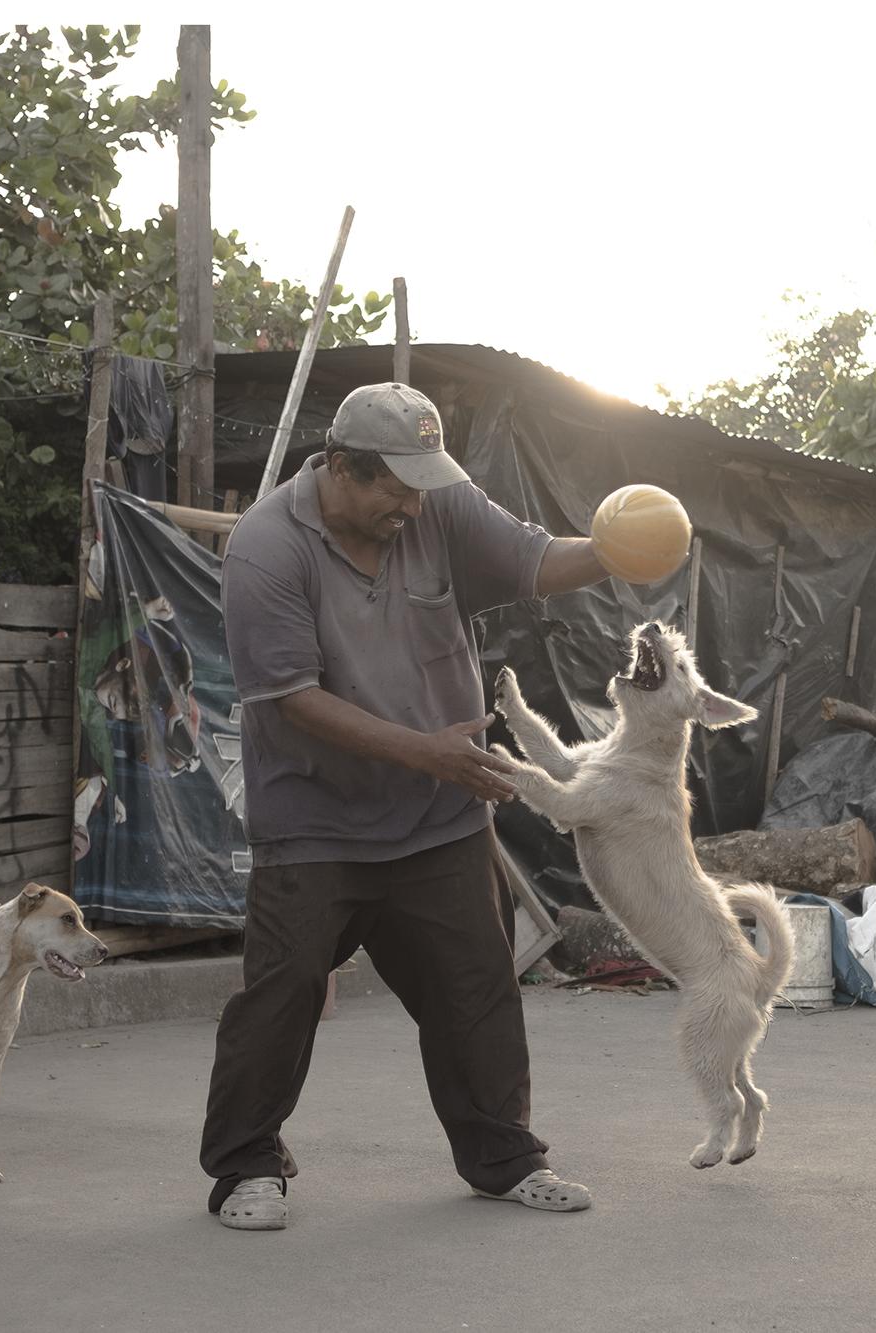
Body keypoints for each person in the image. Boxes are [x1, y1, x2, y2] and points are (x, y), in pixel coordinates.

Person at [200, 382, 611, 1230]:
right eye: (395, 484)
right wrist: (432, 752)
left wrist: (615, 548)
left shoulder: (438, 508)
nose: (413, 502)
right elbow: (291, 700)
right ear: (342, 469)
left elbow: (534, 559)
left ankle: (504, 1156)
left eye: (425, 481)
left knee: (478, 986)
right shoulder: (266, 548)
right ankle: (246, 1165)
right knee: (283, 991)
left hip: (437, 818)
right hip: (314, 821)